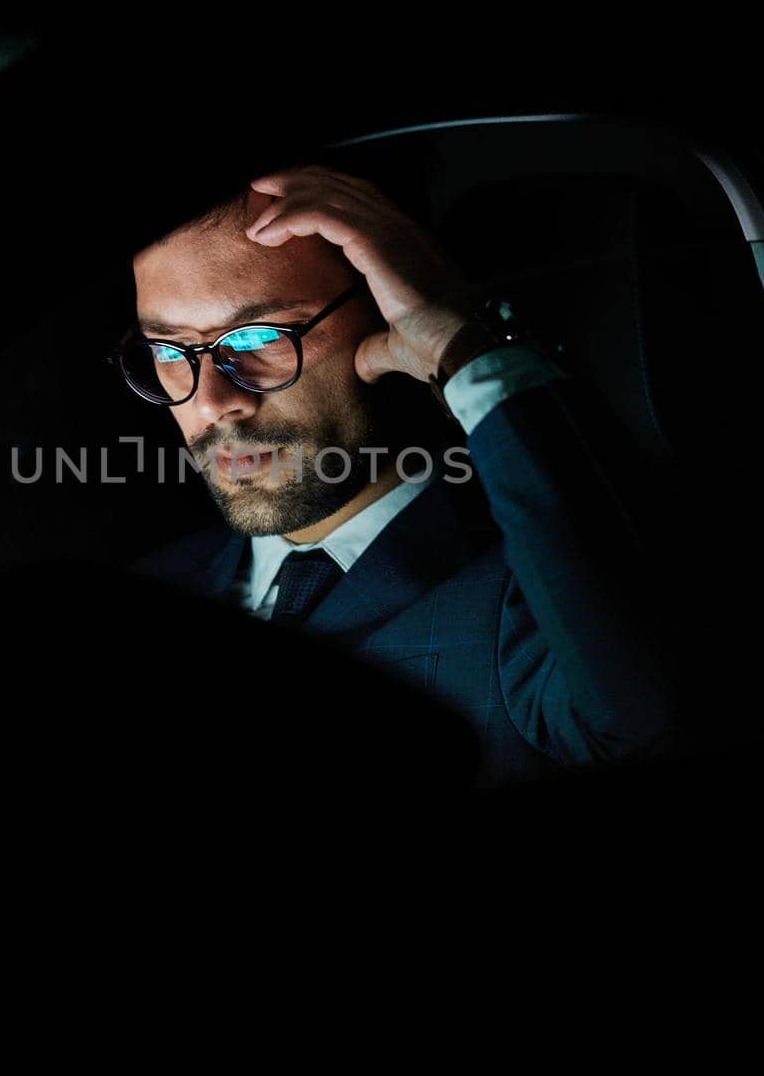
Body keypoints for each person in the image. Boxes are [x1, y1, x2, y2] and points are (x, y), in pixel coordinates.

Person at [121, 163, 684, 785]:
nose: (211, 402)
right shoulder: (142, 595)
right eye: (170, 350)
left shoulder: (523, 607)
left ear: (387, 313)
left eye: (257, 336)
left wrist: (458, 343)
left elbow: (640, 721)